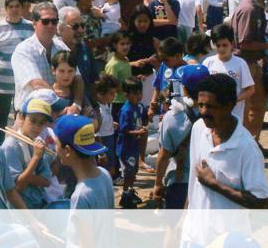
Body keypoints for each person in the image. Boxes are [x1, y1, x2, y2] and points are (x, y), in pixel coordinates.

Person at [182, 74, 268, 246]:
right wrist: (184, 220)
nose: (203, 112)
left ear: (229, 105)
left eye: (210, 106)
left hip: (227, 240)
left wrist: (215, 185)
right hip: (192, 235)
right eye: (200, 105)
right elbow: (194, 183)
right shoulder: (199, 128)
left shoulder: (247, 148)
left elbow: (262, 202)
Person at [151, 64, 208, 209]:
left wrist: (158, 183)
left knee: (175, 222)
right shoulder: (218, 114)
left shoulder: (172, 117)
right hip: (209, 182)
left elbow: (164, 155)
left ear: (185, 89)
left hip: (180, 180)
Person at [55, 114, 115, 247]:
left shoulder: (81, 195)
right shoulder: (104, 174)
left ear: (67, 150)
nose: (55, 149)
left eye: (56, 144)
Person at [231, 0, 268, 146]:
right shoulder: (249, 9)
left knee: (258, 105)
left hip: (254, 63)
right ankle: (246, 145)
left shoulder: (257, 6)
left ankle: (253, 144)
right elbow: (244, 43)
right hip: (245, 65)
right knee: (246, 109)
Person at [0, 0, 35, 143]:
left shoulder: (30, 26)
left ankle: (19, 145)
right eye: (11, 7)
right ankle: (0, 144)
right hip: (2, 81)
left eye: (17, 6)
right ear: (6, 8)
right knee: (2, 115)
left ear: (22, 8)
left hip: (22, 81)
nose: (14, 9)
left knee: (21, 115)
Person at [11, 1, 69, 112]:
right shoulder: (23, 50)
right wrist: (63, 104)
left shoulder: (62, 47)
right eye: (45, 21)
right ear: (34, 23)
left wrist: (77, 105)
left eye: (54, 21)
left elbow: (77, 78)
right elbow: (37, 84)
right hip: (31, 115)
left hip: (59, 112)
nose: (50, 25)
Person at [2, 98, 56, 209]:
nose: (36, 127)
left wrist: (25, 176)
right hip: (17, 209)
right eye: (33, 121)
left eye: (41, 123)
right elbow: (17, 187)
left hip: (37, 201)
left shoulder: (38, 142)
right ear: (22, 117)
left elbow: (47, 181)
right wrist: (35, 158)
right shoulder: (11, 146)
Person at [202, 24, 255, 126]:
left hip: (234, 115)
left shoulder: (240, 64)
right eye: (218, 45)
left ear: (231, 43)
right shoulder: (208, 63)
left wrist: (234, 100)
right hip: (213, 115)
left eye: (225, 45)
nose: (221, 49)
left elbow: (250, 89)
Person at [116, 77, 148, 208]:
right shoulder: (126, 110)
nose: (138, 96)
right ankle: (125, 195)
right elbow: (123, 130)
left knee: (134, 171)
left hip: (134, 146)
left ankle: (129, 191)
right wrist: (138, 132)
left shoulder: (138, 107)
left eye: (140, 93)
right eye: (135, 93)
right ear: (126, 94)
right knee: (128, 172)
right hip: (126, 147)